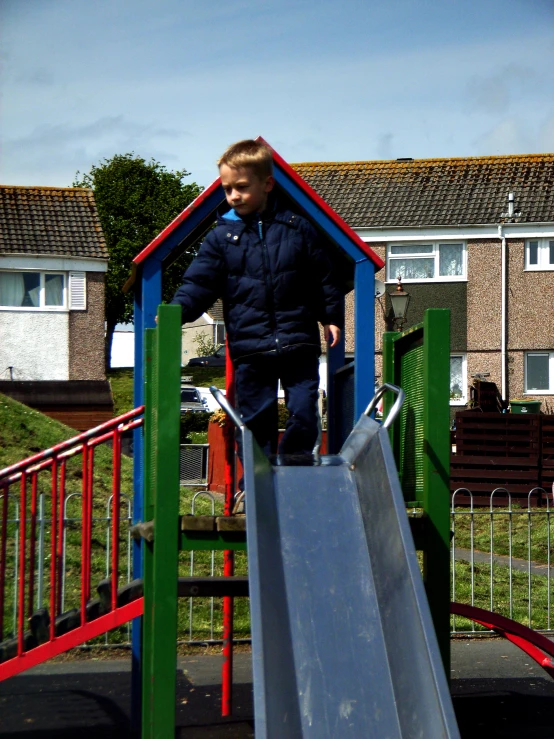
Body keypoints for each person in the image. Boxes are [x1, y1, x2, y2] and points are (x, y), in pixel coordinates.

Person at [171, 139, 344, 469]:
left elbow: (323, 277)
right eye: (227, 189)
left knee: (306, 408)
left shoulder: (297, 229)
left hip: (298, 341)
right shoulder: (223, 238)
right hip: (250, 347)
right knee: (254, 418)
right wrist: (175, 313)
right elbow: (199, 283)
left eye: (241, 187)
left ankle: (294, 466)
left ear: (267, 184)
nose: (233, 196)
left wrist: (330, 317)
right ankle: (254, 484)